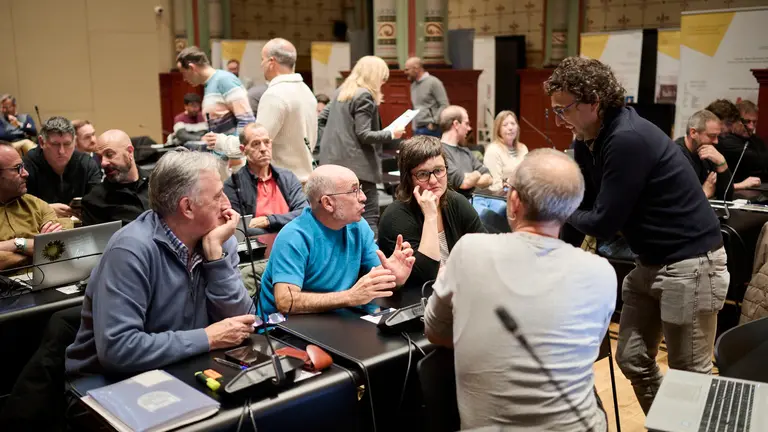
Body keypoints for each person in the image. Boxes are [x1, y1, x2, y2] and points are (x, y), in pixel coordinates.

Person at [544, 56, 729, 413]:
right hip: (651, 261)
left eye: (562, 109)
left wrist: (555, 208)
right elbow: (584, 196)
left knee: (690, 375)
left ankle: (683, 422)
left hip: (691, 264)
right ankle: (669, 421)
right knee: (631, 357)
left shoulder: (626, 138)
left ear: (593, 102)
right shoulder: (589, 136)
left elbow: (601, 221)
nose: (558, 119)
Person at [424, 149, 615, 431]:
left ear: (513, 202)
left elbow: (436, 332)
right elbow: (589, 345)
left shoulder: (469, 250)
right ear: (571, 209)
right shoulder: (603, 273)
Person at [66, 151, 256, 375]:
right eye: (217, 196)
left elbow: (242, 324)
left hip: (185, 364)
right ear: (187, 208)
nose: (227, 204)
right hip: (108, 384)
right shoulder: (130, 250)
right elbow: (119, 350)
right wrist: (207, 338)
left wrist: (216, 259)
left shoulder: (219, 241)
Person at [258, 164, 415, 315]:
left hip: (339, 319)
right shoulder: (293, 236)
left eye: (360, 189)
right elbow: (286, 301)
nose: (363, 197)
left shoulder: (358, 226)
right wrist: (349, 297)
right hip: (286, 328)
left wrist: (394, 278)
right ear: (328, 203)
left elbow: (378, 281)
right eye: (354, 191)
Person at [379, 136, 485, 289]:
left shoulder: (456, 202)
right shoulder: (395, 217)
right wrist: (430, 216)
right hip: (416, 303)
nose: (434, 180)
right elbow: (426, 277)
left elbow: (485, 249)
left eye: (439, 170)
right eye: (423, 174)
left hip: (458, 293)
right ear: (408, 179)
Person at [319, 56, 404, 237]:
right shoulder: (364, 95)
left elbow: (321, 118)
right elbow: (364, 134)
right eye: (382, 77)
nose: (383, 82)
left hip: (332, 166)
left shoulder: (341, 92)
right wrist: (392, 134)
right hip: (359, 170)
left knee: (338, 218)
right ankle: (371, 262)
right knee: (370, 216)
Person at [224, 123, 308, 235]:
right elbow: (240, 229)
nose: (263, 149)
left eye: (266, 142)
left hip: (292, 239)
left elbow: (303, 212)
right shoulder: (234, 185)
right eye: (256, 144)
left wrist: (267, 220)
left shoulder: (287, 177)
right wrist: (284, 224)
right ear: (243, 150)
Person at [176, 46, 255, 160]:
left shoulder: (225, 80)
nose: (184, 79)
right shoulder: (210, 85)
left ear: (192, 68)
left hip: (234, 161)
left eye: (183, 73)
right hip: (223, 159)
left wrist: (236, 154)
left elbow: (247, 121)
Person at [256, 38, 318, 182]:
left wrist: (222, 142)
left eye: (262, 59)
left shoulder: (275, 94)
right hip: (305, 181)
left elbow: (258, 142)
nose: (261, 64)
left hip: (282, 184)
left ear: (271, 62)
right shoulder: (306, 91)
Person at [23, 116, 101, 218]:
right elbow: (15, 207)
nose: (62, 151)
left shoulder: (87, 164)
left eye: (67, 144)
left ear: (74, 142)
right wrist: (45, 210)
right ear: (42, 142)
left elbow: (98, 202)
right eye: (55, 144)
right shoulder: (26, 166)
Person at [0, 141, 61, 271]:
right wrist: (28, 248)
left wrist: (16, 245)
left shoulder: (37, 205)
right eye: (17, 168)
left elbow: (56, 250)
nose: (26, 173)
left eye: (23, 166)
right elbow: (45, 252)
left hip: (41, 284)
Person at [474, 110, 529, 231]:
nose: (510, 128)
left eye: (513, 124)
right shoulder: (493, 150)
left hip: (521, 194)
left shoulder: (523, 148)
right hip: (498, 198)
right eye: (505, 125)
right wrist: (509, 187)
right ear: (498, 129)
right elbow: (495, 185)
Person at [81, 130, 150, 226]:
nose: (103, 163)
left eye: (109, 154)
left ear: (129, 152)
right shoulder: (94, 201)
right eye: (100, 157)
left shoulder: (158, 183)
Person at [674, 110, 737, 200]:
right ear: (693, 133)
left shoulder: (706, 152)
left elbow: (726, 197)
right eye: (712, 136)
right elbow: (678, 201)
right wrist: (704, 194)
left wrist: (722, 163)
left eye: (717, 136)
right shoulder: (676, 156)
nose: (716, 141)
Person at [706, 98, 765, 185]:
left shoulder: (756, 141)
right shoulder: (724, 139)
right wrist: (741, 185)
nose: (751, 127)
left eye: (754, 122)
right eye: (747, 121)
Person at [439, 106, 492, 200]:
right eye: (466, 123)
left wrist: (470, 178)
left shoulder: (466, 151)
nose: (469, 128)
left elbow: (489, 178)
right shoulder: (439, 151)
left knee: (504, 207)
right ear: (456, 124)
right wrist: (477, 173)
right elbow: (464, 183)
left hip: (477, 199)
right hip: (459, 205)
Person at [404, 57, 449, 137]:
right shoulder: (413, 85)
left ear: (416, 69)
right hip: (417, 129)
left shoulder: (434, 82)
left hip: (431, 129)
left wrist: (434, 122)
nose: (405, 72)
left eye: (407, 69)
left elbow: (444, 104)